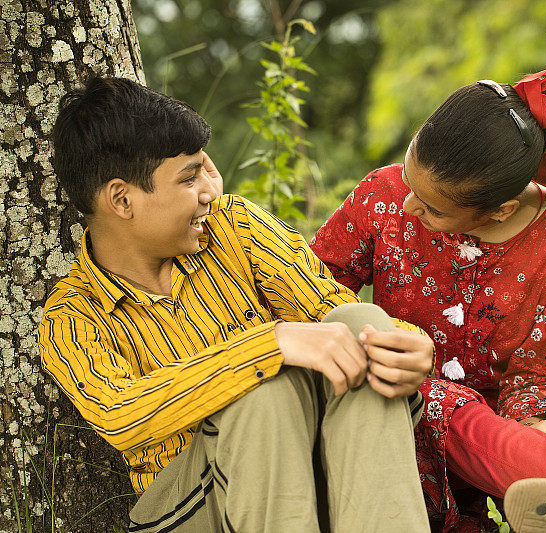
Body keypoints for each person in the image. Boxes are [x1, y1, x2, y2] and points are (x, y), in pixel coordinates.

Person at [38, 76, 435, 532]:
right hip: (193, 507)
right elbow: (120, 414)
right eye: (189, 178)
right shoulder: (72, 314)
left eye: (205, 169)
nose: (211, 190)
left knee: (359, 321)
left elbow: (332, 308)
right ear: (122, 199)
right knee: (262, 393)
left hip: (303, 464)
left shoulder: (235, 228)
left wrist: (410, 347)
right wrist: (268, 345)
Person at [311, 62, 546, 532]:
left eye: (434, 209)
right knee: (454, 411)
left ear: (499, 210)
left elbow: (539, 375)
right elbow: (310, 293)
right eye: (409, 180)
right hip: (402, 399)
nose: (408, 205)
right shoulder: (381, 195)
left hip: (510, 415)